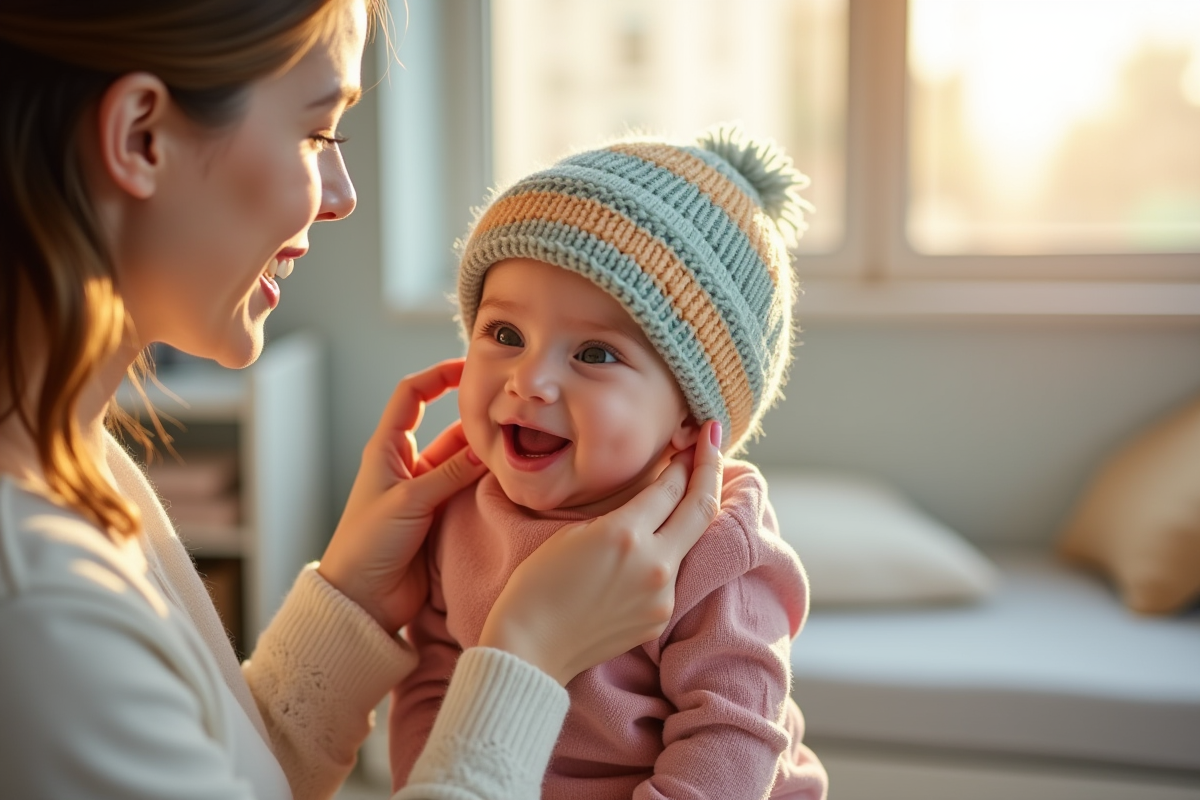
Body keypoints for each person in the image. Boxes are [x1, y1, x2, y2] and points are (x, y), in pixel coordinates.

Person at [0, 1, 726, 798]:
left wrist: (352, 597)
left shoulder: (73, 461)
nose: (342, 196)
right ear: (141, 136)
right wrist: (527, 653)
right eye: (317, 134)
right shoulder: (35, 602)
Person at [388, 128, 829, 799]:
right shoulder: (457, 508)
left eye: (594, 354)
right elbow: (433, 680)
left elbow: (732, 742)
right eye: (505, 334)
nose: (530, 380)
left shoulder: (715, 546)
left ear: (690, 419)